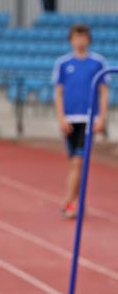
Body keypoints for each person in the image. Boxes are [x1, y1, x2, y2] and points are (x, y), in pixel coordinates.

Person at [52, 23, 109, 219]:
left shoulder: (98, 63)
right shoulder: (62, 63)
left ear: (88, 39)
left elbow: (103, 92)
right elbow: (58, 93)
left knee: (78, 162)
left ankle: (67, 201)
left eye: (83, 37)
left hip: (88, 119)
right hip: (69, 119)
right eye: (76, 37)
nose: (80, 41)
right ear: (71, 40)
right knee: (74, 163)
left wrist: (101, 117)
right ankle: (74, 202)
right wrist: (61, 117)